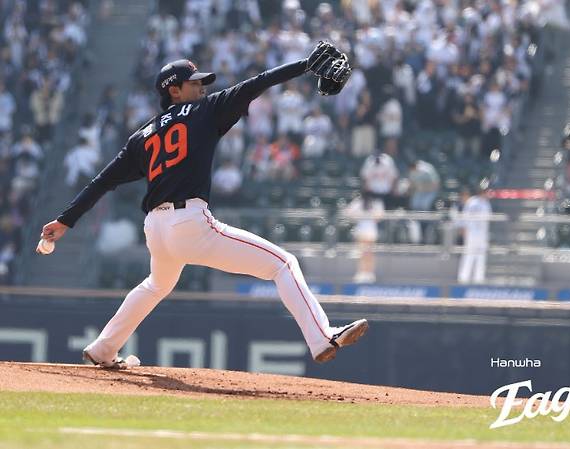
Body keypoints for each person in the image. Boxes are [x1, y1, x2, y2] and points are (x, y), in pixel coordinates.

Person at [38, 45, 368, 368]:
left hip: (155, 228)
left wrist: (66, 220)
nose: (202, 87)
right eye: (194, 83)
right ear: (174, 91)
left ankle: (103, 348)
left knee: (156, 285)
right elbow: (258, 83)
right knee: (283, 264)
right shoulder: (204, 110)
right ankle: (321, 337)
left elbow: (102, 181)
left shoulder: (141, 137)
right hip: (189, 222)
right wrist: (304, 65)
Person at [344, 191, 384, 283]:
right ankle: (361, 272)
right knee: (362, 252)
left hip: (371, 230)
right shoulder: (359, 202)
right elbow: (348, 212)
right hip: (361, 230)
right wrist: (358, 215)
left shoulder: (377, 203)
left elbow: (380, 216)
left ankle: (369, 273)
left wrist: (373, 214)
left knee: (369, 253)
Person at [455, 186, 492, 284]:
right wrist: (464, 229)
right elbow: (465, 217)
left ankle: (478, 279)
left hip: (481, 234)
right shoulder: (472, 202)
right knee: (469, 255)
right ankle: (464, 278)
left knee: (480, 256)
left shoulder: (484, 203)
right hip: (472, 233)